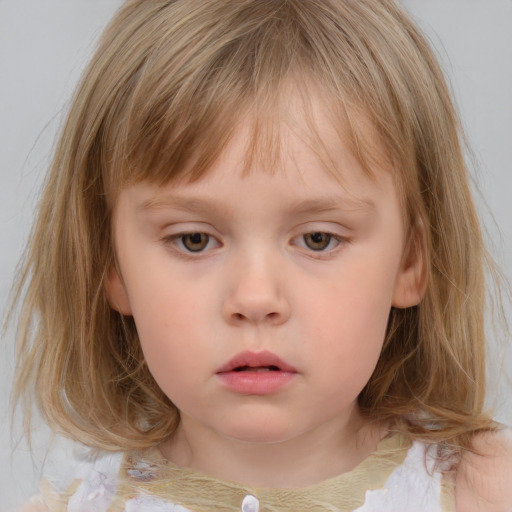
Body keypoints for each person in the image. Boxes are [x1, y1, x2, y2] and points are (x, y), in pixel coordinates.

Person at [12, 0, 512, 510]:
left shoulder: (489, 493)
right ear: (111, 266)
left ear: (410, 261)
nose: (254, 298)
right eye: (194, 240)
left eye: (318, 239)